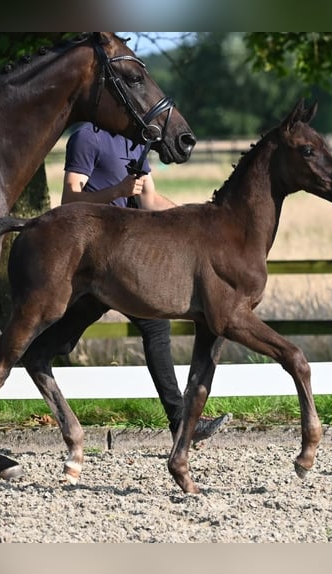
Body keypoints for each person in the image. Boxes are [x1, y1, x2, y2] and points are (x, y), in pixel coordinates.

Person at [61, 122, 231, 443]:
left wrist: (195, 217)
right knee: (58, 339)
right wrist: (117, 192)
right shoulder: (87, 136)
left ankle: (181, 424)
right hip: (88, 258)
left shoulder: (135, 142)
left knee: (154, 327)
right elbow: (69, 201)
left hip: (123, 259)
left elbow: (149, 200)